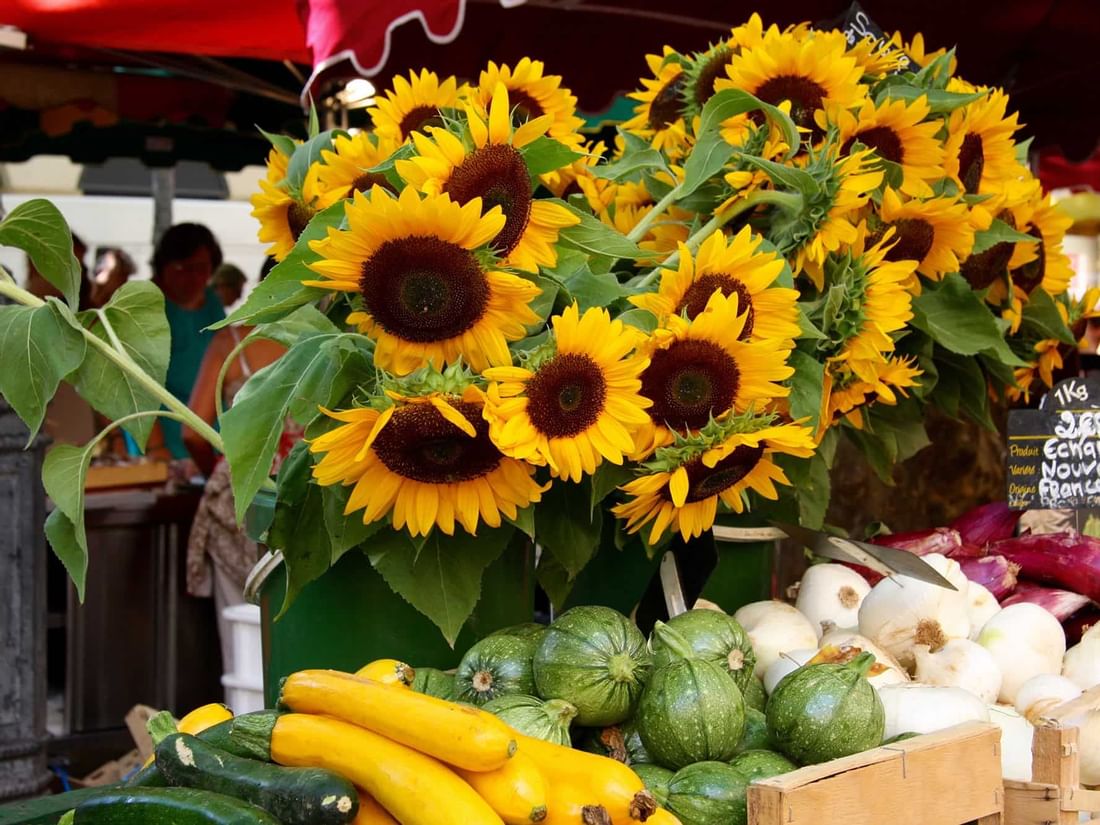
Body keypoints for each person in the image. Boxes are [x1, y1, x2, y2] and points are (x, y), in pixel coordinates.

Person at [184, 258, 299, 680]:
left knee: (242, 626)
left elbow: (193, 431)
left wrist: (222, 463)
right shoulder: (326, 341)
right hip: (306, 490)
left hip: (240, 491)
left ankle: (244, 721)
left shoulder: (231, 339)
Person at [152, 224, 226, 461]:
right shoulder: (149, 305)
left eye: (201, 268)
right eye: (183, 268)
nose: (193, 277)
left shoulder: (213, 304)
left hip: (211, 430)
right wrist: (156, 449)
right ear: (163, 267)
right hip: (163, 435)